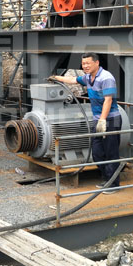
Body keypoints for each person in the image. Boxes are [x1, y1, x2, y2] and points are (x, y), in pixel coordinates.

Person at [48, 53, 122, 194]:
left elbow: (108, 100)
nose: (85, 66)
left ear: (97, 63)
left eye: (88, 63)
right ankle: (106, 178)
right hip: (98, 119)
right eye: (83, 64)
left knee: (111, 152)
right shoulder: (88, 77)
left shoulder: (106, 78)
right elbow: (73, 80)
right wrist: (56, 78)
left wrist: (102, 120)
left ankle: (114, 184)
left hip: (111, 120)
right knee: (97, 152)